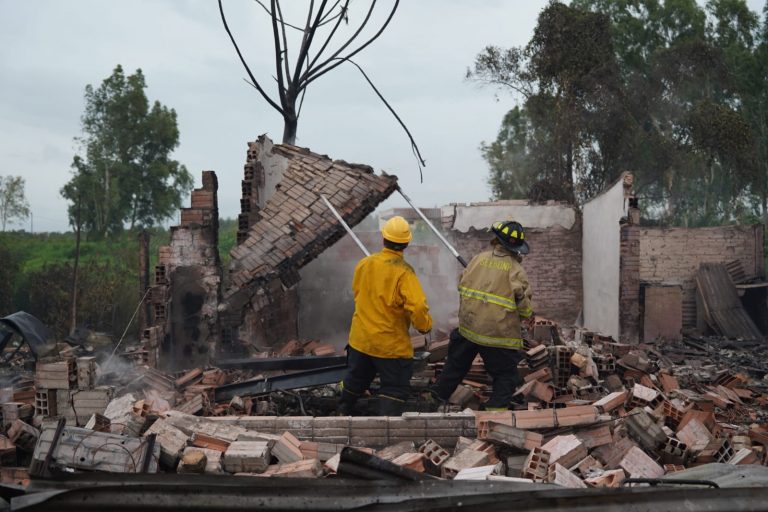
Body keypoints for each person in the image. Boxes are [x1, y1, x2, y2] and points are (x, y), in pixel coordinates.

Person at [430, 219, 534, 411]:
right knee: (505, 376)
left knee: (455, 367)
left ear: (496, 239)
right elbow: (525, 309)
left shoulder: (477, 260)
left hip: (469, 328)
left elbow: (461, 285)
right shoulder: (516, 270)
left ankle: (434, 399)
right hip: (498, 336)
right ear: (517, 248)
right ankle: (494, 415)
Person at [338, 215, 433, 416]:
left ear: (384, 238)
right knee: (394, 390)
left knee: (354, 381)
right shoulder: (404, 272)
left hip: (361, 340)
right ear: (406, 243)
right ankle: (385, 426)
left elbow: (357, 292)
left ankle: (342, 411)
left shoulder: (364, 263)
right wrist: (424, 326)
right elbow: (417, 307)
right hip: (390, 347)